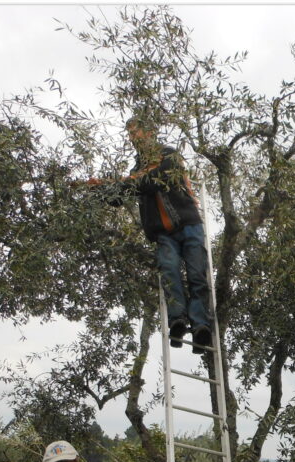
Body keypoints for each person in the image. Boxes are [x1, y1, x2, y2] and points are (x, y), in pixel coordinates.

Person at [83, 117, 213, 349]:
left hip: (188, 223)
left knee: (197, 274)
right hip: (163, 232)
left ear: (150, 132)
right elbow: (120, 197)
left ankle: (201, 326)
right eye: (130, 133)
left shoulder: (168, 155)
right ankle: (178, 321)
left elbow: (151, 181)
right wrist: (100, 190)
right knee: (169, 272)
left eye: (136, 132)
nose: (132, 137)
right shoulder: (137, 170)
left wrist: (117, 184)